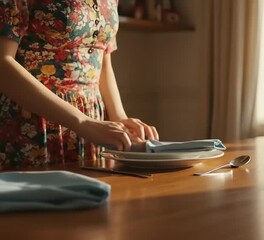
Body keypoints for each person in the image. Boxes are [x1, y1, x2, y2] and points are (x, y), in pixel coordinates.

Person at [0, 0, 159, 167]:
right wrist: (82, 122)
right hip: (32, 123)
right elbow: (3, 65)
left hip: (92, 124)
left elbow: (102, 61)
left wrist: (119, 118)